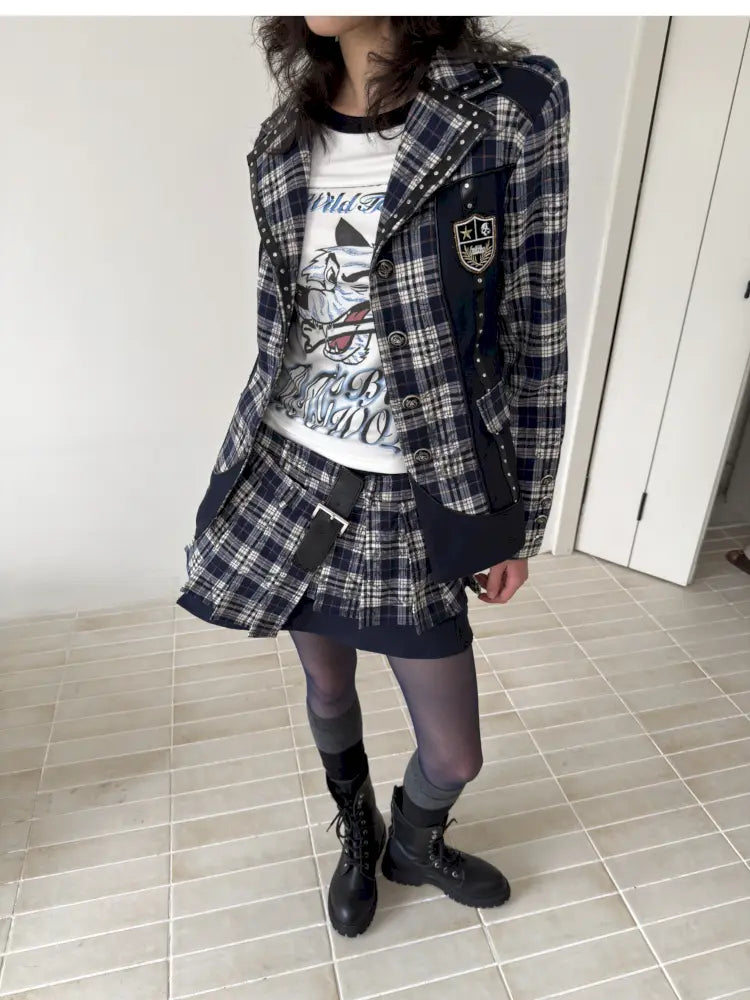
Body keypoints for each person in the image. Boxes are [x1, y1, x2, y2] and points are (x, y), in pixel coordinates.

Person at [178, 16, 570, 938]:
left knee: (456, 753)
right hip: (290, 473)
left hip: (415, 491)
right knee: (326, 689)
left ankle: (415, 843)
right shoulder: (285, 138)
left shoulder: (514, 104)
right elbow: (289, 327)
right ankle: (357, 827)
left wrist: (518, 516)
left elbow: (536, 319)